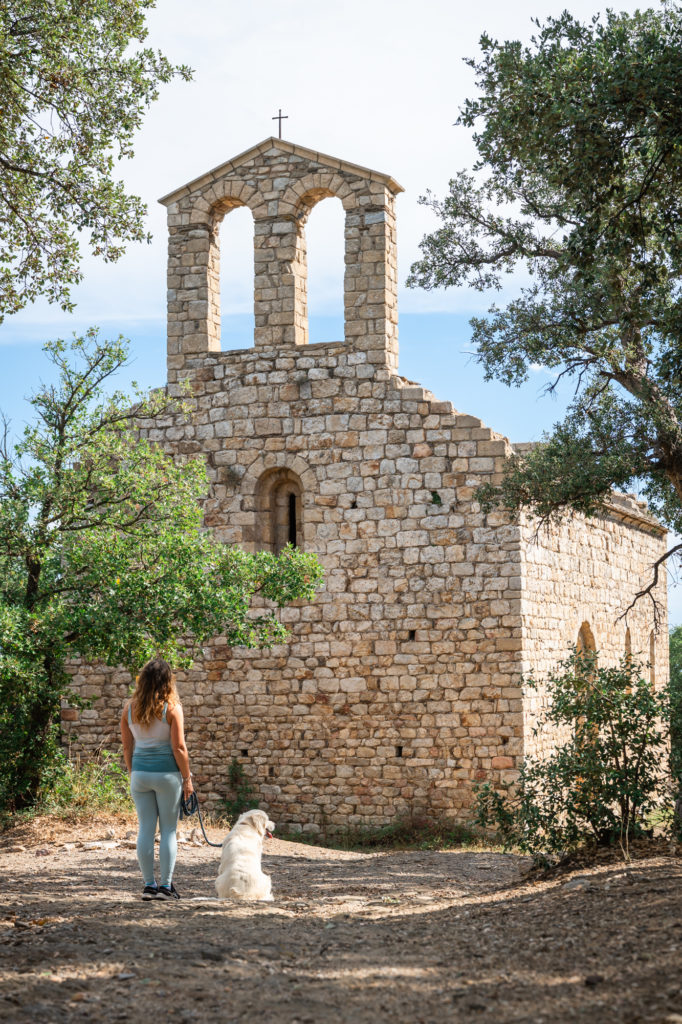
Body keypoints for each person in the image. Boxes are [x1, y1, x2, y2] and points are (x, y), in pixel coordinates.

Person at [120, 658, 194, 900]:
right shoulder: (172, 708)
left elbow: (127, 748)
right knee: (169, 831)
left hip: (140, 775)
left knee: (145, 829)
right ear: (167, 681)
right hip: (167, 775)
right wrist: (187, 779)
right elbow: (179, 748)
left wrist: (133, 772)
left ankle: (149, 886)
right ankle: (165, 887)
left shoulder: (129, 709)